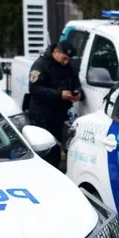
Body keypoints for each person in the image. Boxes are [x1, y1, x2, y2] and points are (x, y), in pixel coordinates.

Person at [26, 40, 82, 171]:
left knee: (56, 150)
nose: (66, 62)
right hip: (42, 115)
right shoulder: (40, 65)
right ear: (55, 52)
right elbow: (35, 89)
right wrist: (59, 95)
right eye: (64, 58)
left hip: (59, 115)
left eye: (68, 59)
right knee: (43, 150)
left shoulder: (69, 67)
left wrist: (78, 93)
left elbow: (76, 83)